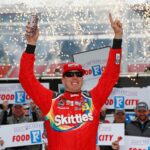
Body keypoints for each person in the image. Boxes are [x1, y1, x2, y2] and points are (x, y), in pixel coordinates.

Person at [19, 13, 123, 150]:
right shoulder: (51, 101)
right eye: (70, 74)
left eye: (78, 74)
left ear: (82, 78)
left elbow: (111, 74)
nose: (75, 77)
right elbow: (26, 78)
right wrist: (31, 44)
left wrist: (118, 39)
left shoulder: (93, 99)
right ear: (63, 79)